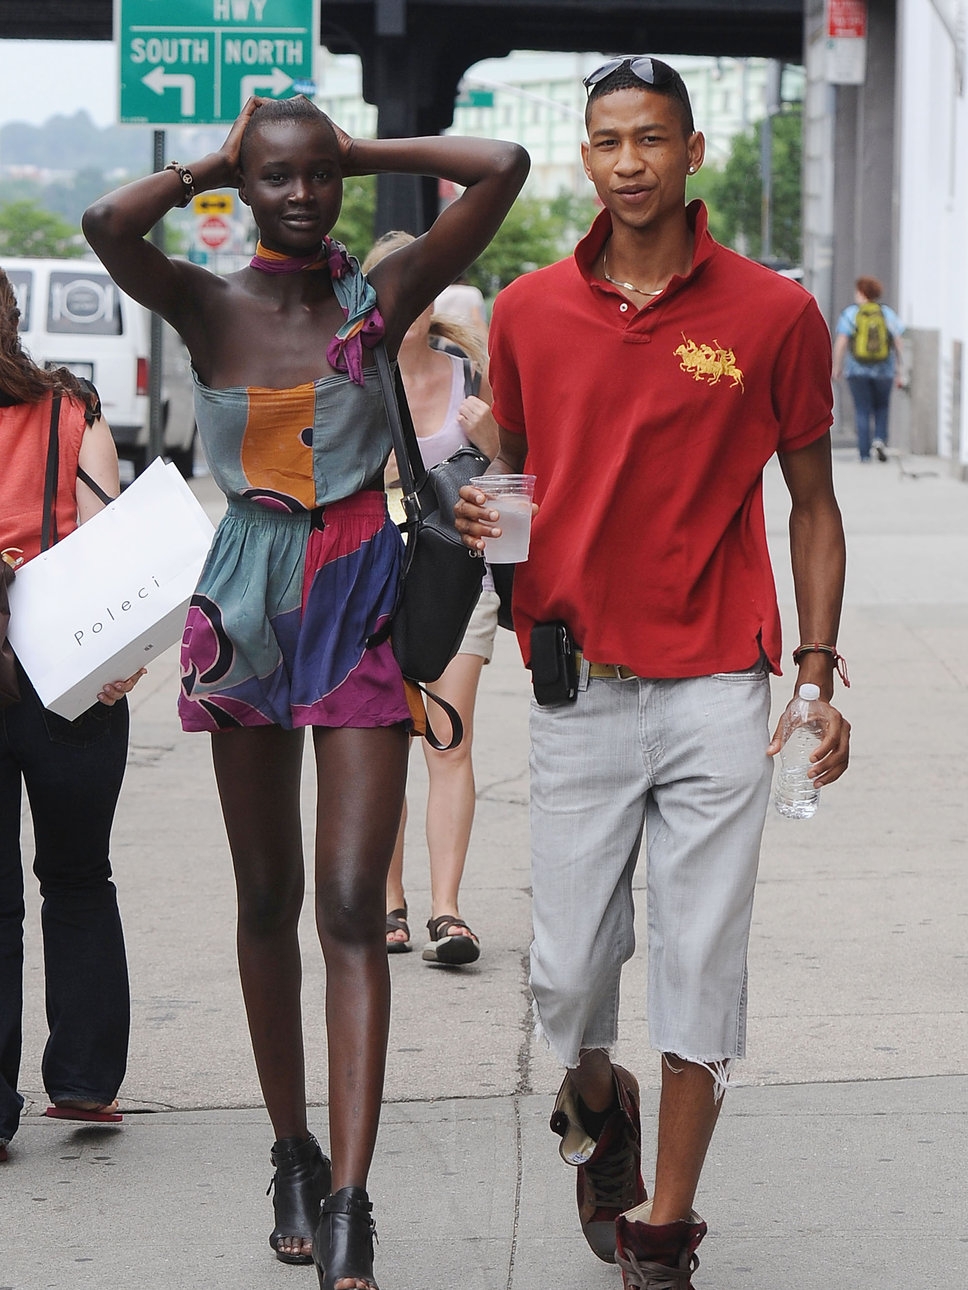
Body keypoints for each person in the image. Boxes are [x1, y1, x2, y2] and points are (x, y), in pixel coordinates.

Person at [83, 96, 527, 1290]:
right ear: (244, 183)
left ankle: (349, 1202)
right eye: (275, 177)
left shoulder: (374, 298)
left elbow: (501, 164)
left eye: (316, 177)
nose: (300, 194)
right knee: (265, 892)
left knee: (344, 902)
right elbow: (105, 221)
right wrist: (210, 164)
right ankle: (290, 1147)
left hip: (358, 594)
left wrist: (358, 144)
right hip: (241, 606)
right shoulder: (207, 301)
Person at [455, 57, 851, 1288]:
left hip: (715, 691)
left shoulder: (770, 315)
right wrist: (484, 518)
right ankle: (597, 1101)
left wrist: (816, 676)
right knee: (568, 977)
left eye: (650, 140)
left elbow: (812, 505)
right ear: (585, 157)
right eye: (606, 141)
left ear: (690, 154)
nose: (627, 162)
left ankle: (661, 1229)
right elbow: (514, 479)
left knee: (698, 962)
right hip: (578, 686)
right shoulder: (524, 312)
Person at [0, 266, 143, 1165]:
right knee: (80, 875)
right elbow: (118, 552)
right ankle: (86, 1078)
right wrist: (121, 659)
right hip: (72, 679)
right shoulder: (69, 413)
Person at [362, 230, 500, 965]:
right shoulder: (350, 382)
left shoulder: (468, 376)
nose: (407, 299)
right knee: (383, 741)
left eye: (421, 283)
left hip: (456, 579)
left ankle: (448, 911)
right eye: (393, 284)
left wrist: (499, 439)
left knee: (449, 738)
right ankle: (389, 902)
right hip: (371, 581)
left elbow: (509, 478)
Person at [832, 275, 906, 461]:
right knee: (882, 407)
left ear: (862, 293)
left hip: (857, 370)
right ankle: (879, 440)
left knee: (862, 409)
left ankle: (864, 454)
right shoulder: (887, 313)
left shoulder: (851, 313)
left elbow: (842, 342)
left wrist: (837, 366)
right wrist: (900, 369)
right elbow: (898, 342)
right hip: (884, 370)